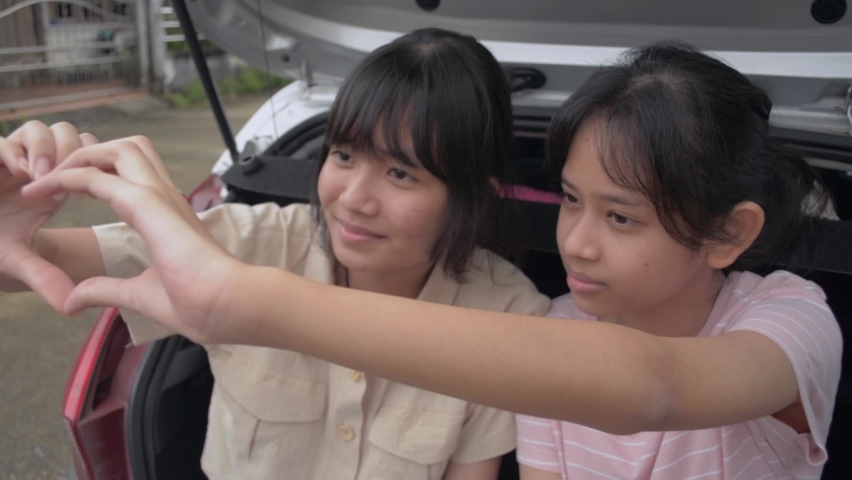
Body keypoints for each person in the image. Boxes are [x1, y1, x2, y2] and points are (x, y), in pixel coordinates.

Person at [4, 42, 843, 480]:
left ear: (728, 234)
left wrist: (244, 302)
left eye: (620, 216)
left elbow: (649, 386)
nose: (576, 242)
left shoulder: (789, 318)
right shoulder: (547, 328)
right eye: (573, 202)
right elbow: (44, 262)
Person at [0, 28, 549, 480]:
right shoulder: (247, 243)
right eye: (343, 154)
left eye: (401, 173)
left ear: (476, 193)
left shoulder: (505, 317)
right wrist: (13, 225)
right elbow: (39, 261)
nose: (353, 200)